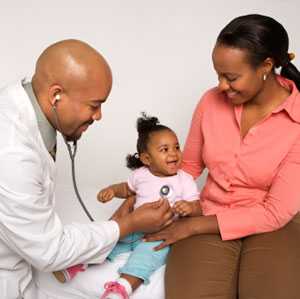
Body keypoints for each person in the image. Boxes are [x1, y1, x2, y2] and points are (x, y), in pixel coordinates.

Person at [0, 39, 173, 299]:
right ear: (56, 95)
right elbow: (50, 250)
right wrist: (126, 225)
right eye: (94, 105)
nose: (99, 115)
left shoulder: (26, 105)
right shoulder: (12, 153)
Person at [144, 14, 300, 299]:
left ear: (266, 66)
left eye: (231, 77)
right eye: (218, 74)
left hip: (278, 224)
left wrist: (193, 226)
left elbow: (275, 213)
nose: (221, 86)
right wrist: (146, 190)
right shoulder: (211, 101)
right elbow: (188, 166)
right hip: (210, 212)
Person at [54, 113, 200, 299]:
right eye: (165, 149)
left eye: (176, 147)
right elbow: (127, 188)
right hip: (136, 226)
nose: (173, 153)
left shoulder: (184, 180)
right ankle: (79, 264)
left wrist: (189, 207)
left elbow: (198, 206)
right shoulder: (141, 174)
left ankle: (123, 287)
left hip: (159, 234)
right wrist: (112, 190)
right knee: (110, 243)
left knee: (146, 259)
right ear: (147, 159)